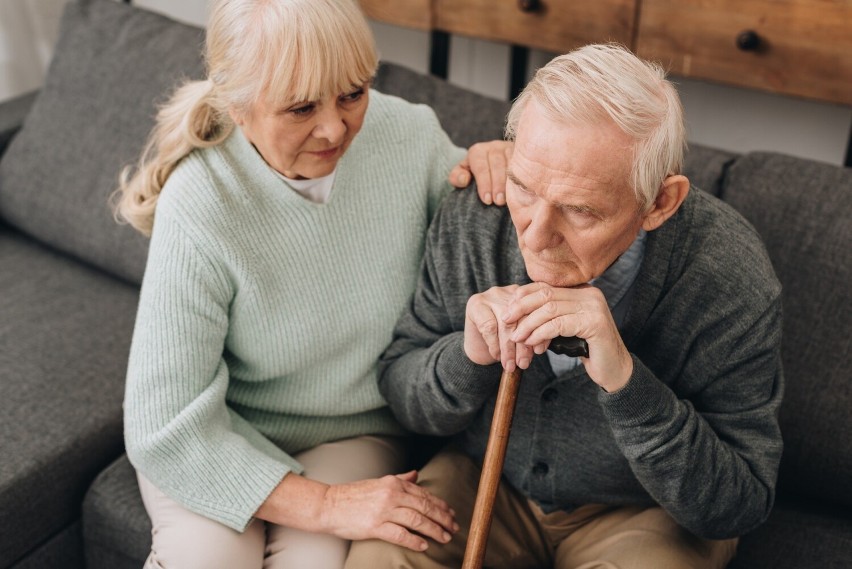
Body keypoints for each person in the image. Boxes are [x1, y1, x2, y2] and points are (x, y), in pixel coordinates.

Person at [345, 43, 784, 569]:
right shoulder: (478, 215)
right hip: (486, 476)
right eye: (525, 188)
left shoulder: (729, 274)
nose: (534, 235)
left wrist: (626, 383)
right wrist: (467, 358)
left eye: (579, 211)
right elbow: (402, 394)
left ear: (659, 203)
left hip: (644, 513)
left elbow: (738, 504)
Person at [115, 0, 507, 567]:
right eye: (300, 108)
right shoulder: (201, 200)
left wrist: (500, 164)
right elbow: (165, 427)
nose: (334, 127)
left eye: (353, 93)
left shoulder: (407, 137)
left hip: (352, 432)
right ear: (237, 107)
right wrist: (325, 505)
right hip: (219, 431)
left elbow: (482, 226)